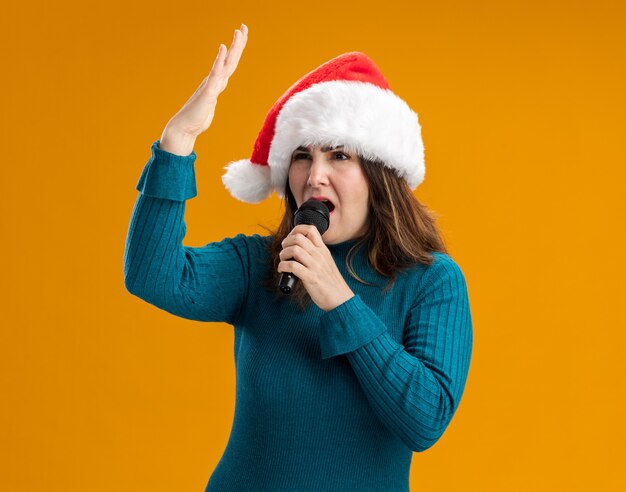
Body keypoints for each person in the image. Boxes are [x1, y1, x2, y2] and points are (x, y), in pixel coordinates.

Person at [124, 23, 473, 492]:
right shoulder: (259, 265)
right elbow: (152, 275)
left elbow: (424, 420)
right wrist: (178, 139)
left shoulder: (432, 282)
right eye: (303, 157)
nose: (315, 176)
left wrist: (341, 302)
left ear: (380, 174)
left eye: (339, 156)